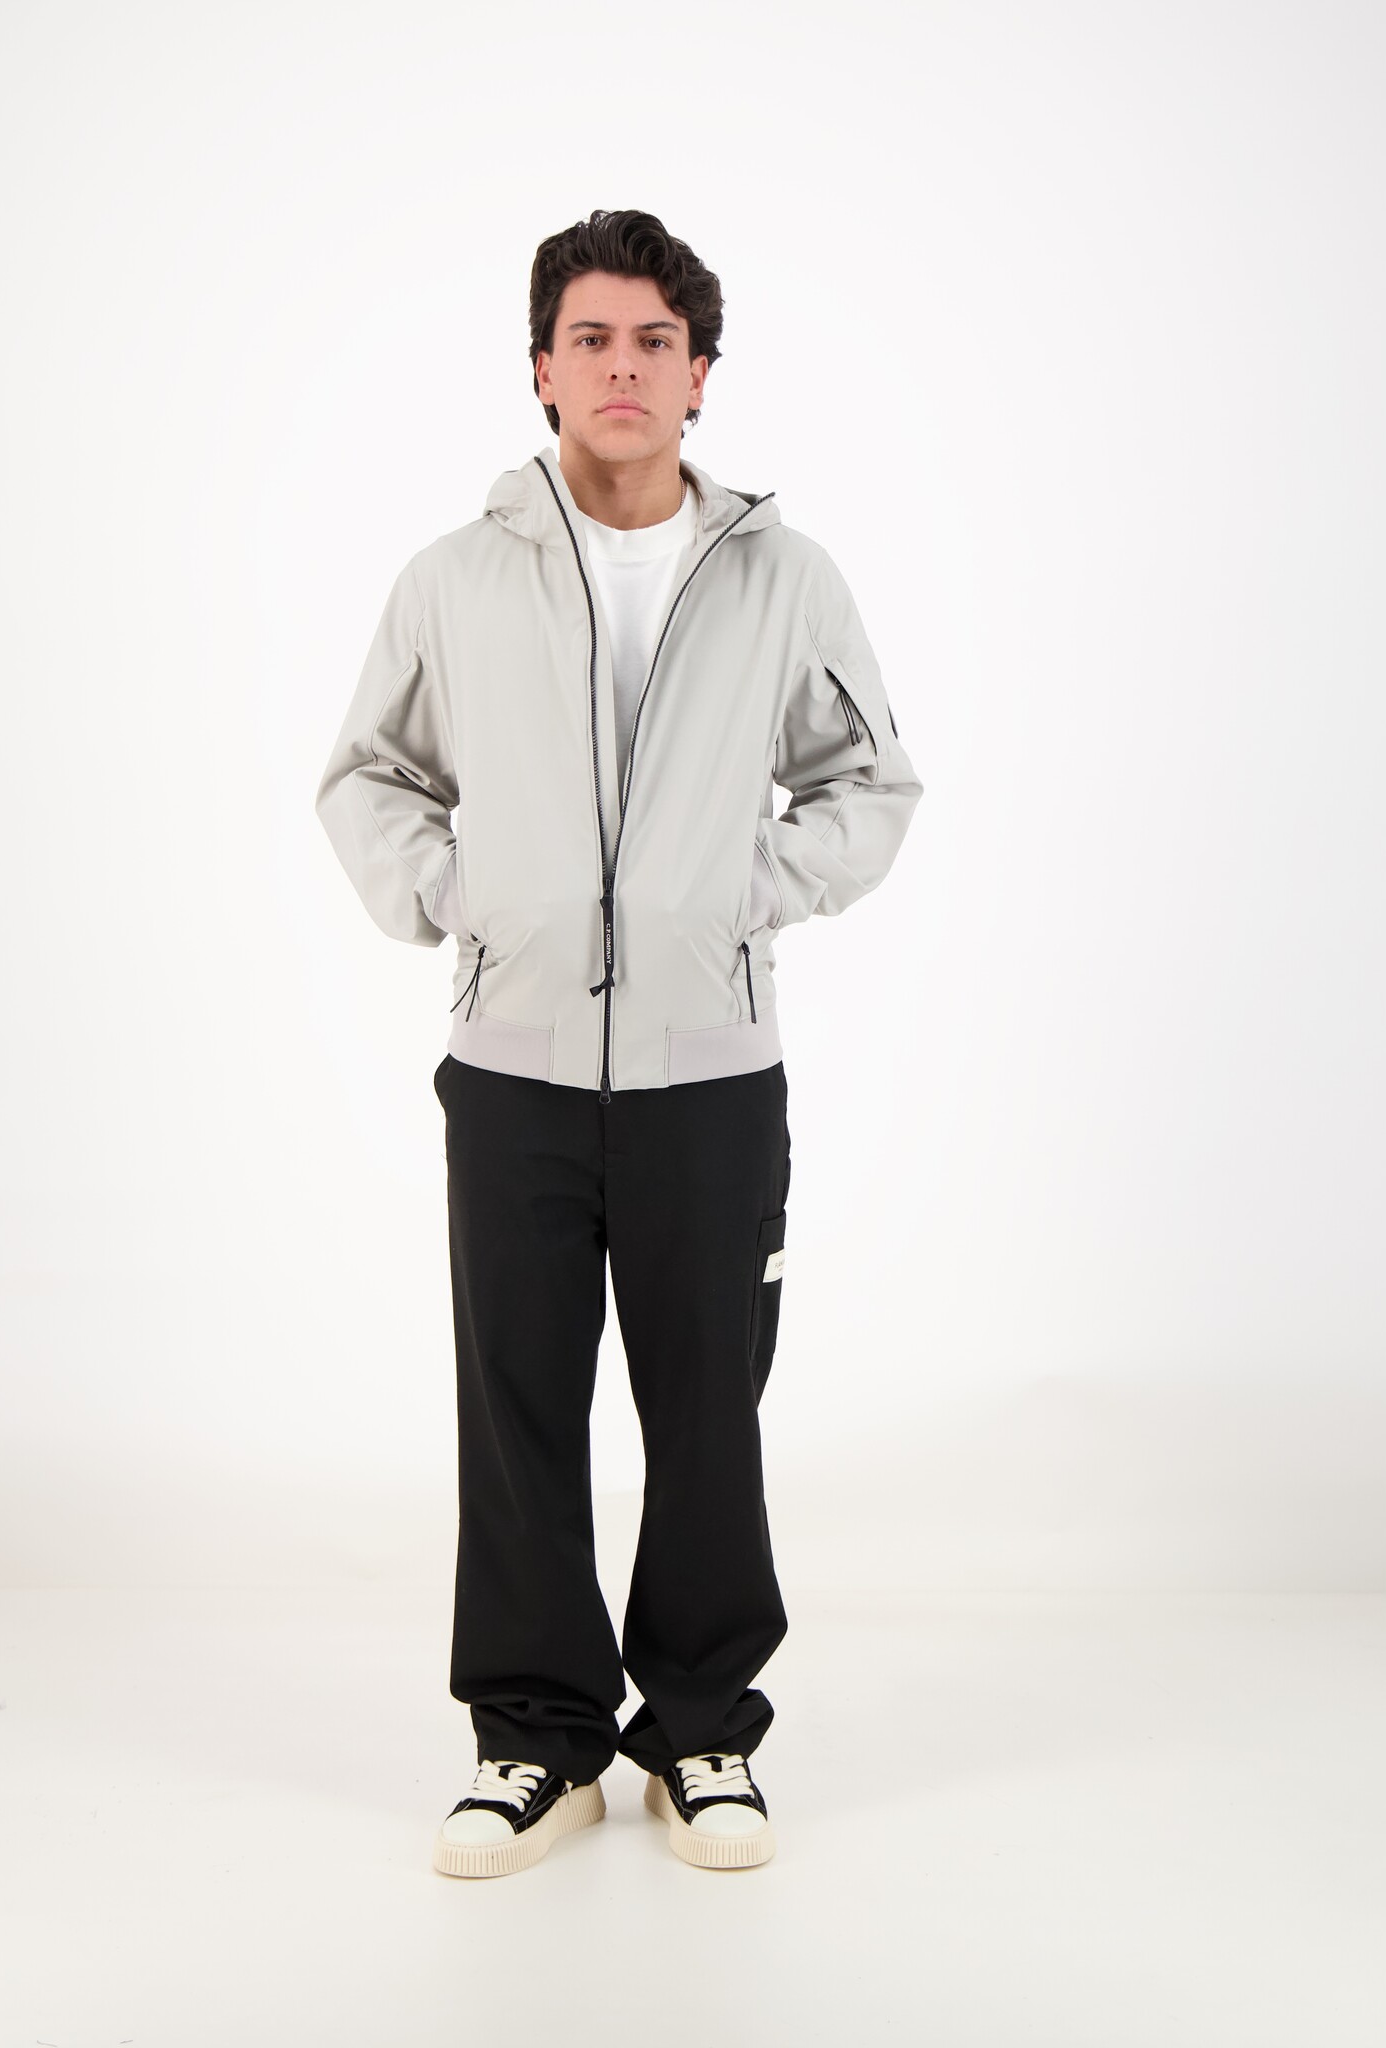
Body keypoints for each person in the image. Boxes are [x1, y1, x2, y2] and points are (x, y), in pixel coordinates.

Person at [314, 208, 923, 1879]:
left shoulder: (782, 578)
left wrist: (735, 896)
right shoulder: (454, 578)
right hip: (510, 1067)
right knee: (516, 1409)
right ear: (541, 368)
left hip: (708, 1074)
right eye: (589, 337)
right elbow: (369, 775)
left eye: (656, 340)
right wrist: (467, 899)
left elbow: (867, 786)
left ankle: (701, 1732)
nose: (622, 367)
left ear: (699, 374)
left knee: (706, 1409)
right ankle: (536, 1745)